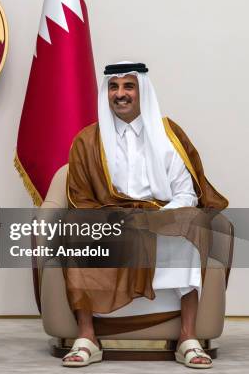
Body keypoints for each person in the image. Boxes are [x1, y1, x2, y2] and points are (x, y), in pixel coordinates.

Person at [61, 62, 228, 368]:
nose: (120, 94)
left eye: (128, 86)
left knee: (191, 221)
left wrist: (157, 219)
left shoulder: (168, 134)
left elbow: (186, 192)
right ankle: (87, 337)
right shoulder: (87, 141)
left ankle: (187, 338)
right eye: (114, 87)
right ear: (106, 93)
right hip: (110, 220)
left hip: (160, 216)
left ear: (142, 92)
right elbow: (81, 199)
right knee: (76, 226)